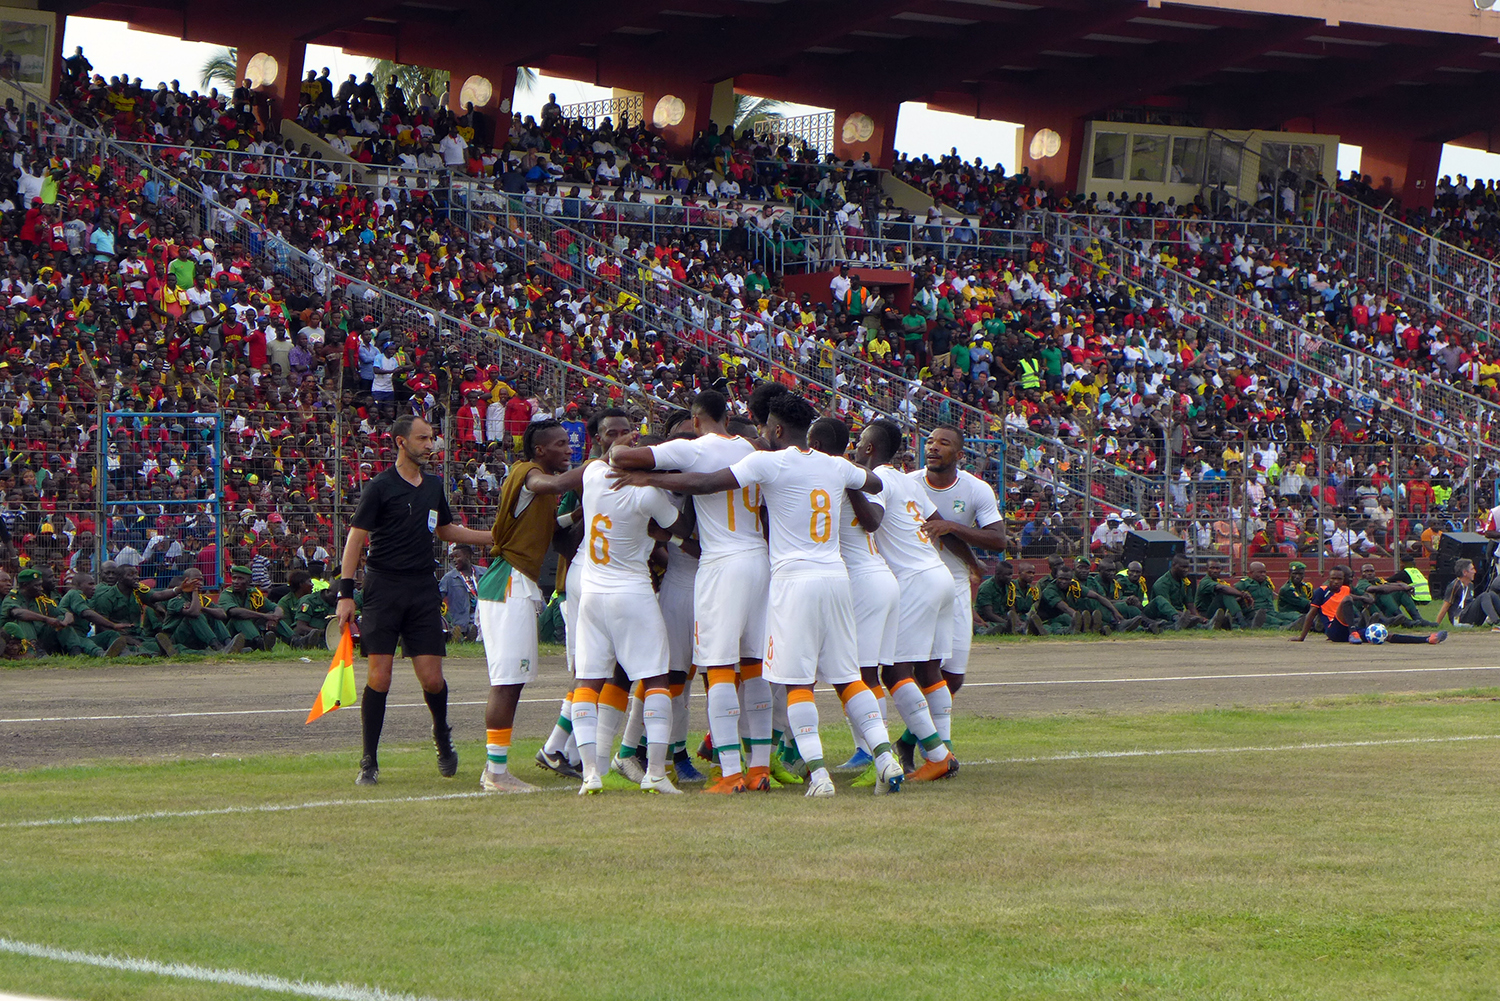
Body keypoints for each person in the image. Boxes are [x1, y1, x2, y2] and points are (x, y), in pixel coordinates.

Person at [611, 393, 904, 797]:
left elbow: (705, 483)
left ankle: (753, 773)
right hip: (824, 574)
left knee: (733, 670)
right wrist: (843, 472)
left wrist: (650, 479)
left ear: (778, 429)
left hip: (755, 571)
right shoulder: (833, 464)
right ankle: (875, 757)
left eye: (767, 427)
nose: (762, 433)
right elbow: (873, 481)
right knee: (828, 673)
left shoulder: (764, 459)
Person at [608, 390, 776, 794]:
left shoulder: (693, 449)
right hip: (760, 560)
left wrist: (642, 461)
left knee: (717, 668)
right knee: (753, 668)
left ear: (697, 420)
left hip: (721, 563)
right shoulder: (753, 448)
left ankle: (731, 772)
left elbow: (621, 459)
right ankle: (760, 768)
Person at [337, 414, 494, 787]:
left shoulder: (434, 485)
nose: (430, 445)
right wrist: (345, 595)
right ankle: (369, 761)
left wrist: (491, 537)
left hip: (423, 588)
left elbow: (445, 529)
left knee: (433, 679)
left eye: (432, 439)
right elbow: (355, 540)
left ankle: (442, 734)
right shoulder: (379, 487)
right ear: (400, 442)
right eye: (423, 439)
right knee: (380, 676)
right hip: (383, 589)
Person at [474, 418, 591, 793]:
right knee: (507, 682)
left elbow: (552, 530)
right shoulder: (530, 473)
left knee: (512, 681)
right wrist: (595, 467)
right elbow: (554, 484)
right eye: (560, 444)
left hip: (511, 581)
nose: (568, 449)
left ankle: (496, 769)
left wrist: (579, 514)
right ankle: (495, 772)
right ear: (540, 450)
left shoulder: (535, 484)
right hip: (509, 580)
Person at [846, 417, 963, 783]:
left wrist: (850, 485)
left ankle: (935, 755)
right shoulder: (905, 479)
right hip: (939, 574)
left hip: (914, 580)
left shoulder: (877, 480)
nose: (854, 446)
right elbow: (936, 522)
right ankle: (941, 750)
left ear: (869, 448)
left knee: (893, 671)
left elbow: (873, 521)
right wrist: (970, 565)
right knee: (928, 669)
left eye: (860, 441)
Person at [570, 444, 690, 794]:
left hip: (593, 593)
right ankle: (654, 771)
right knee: (655, 679)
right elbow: (678, 526)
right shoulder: (647, 493)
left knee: (587, 682)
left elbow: (598, 460)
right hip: (632, 592)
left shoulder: (592, 475)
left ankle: (591, 772)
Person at [906, 425, 1006, 764]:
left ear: (959, 455)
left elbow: (999, 539)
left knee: (954, 676)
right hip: (914, 583)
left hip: (956, 584)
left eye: (943, 444)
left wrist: (952, 526)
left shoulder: (976, 489)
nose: (933, 448)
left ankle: (910, 739)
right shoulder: (909, 484)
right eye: (930, 442)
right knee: (916, 668)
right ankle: (936, 748)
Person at [1293, 566, 1446, 645]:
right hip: (1333, 630)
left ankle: (1427, 639)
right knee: (1346, 601)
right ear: (1329, 578)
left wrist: (1364, 599)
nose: (1336, 581)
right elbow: (1311, 613)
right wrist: (1301, 637)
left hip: (1346, 629)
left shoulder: (1346, 589)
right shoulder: (1321, 591)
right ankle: (1354, 632)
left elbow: (1357, 595)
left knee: (1383, 634)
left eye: (1339, 579)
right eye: (1333, 578)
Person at [88, 562, 176, 656]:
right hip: (117, 636)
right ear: (120, 578)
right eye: (130, 575)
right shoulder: (103, 595)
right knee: (136, 647)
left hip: (138, 635)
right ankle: (151, 654)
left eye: (136, 574)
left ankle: (169, 650)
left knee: (157, 644)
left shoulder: (137, 591)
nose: (136, 577)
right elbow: (101, 626)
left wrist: (178, 590)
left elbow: (157, 596)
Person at [160, 568, 243, 653]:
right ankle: (217, 646)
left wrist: (203, 608)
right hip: (176, 638)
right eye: (195, 580)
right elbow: (194, 613)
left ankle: (229, 644)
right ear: (186, 581)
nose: (199, 583)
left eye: (201, 580)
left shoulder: (203, 600)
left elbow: (222, 614)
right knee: (194, 616)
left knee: (213, 614)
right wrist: (195, 590)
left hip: (195, 638)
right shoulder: (176, 599)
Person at [217, 564, 289, 650]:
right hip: (230, 635)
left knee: (270, 614)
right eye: (234, 578)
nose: (236, 581)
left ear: (248, 581)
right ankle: (261, 644)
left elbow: (275, 607)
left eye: (240, 578)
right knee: (240, 616)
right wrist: (264, 616)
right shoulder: (226, 594)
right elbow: (234, 611)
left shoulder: (253, 593)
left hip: (250, 631)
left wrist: (274, 617)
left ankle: (295, 641)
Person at [1237, 563, 1303, 629]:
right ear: (1251, 573)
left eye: (1264, 572)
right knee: (1275, 621)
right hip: (1256, 614)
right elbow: (1235, 599)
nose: (1263, 574)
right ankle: (1288, 627)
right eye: (1260, 572)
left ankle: (1307, 622)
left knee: (1294, 615)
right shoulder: (1244, 584)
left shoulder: (1267, 583)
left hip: (1272, 612)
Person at [1194, 564, 1259, 629]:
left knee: (1238, 598)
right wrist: (1242, 594)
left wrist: (1240, 598)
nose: (1215, 571)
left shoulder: (1219, 581)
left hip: (1218, 612)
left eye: (1217, 568)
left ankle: (1250, 619)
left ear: (1221, 570)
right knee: (1225, 593)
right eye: (1212, 568)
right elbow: (1222, 589)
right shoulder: (1205, 581)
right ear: (1206, 569)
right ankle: (1241, 622)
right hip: (1206, 615)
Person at [439, 544, 480, 642]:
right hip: (462, 620)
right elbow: (437, 597)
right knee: (465, 629)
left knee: (477, 627)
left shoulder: (483, 573)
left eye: (457, 556)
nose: (454, 560)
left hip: (481, 616)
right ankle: (459, 634)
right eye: (452, 557)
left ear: (467, 556)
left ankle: (473, 634)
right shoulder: (449, 578)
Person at [975, 560, 1025, 634]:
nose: (1010, 577)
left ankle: (1021, 628)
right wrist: (1008, 623)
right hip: (987, 620)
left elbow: (1011, 608)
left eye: (1011, 574)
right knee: (987, 628)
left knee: (1022, 623)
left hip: (1003, 618)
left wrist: (1017, 621)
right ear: (997, 573)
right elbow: (989, 614)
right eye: (1007, 575)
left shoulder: (1009, 586)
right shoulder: (986, 588)